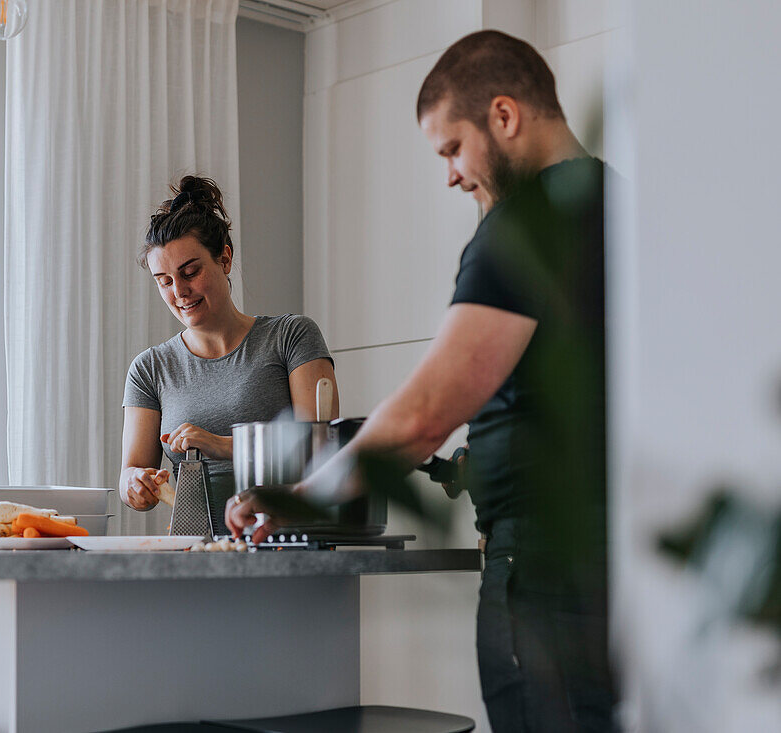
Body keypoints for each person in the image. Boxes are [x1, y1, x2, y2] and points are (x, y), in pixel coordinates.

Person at [228, 30, 616, 733]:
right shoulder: (618, 204)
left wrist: (302, 498)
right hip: (609, 560)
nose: (451, 174)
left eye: (451, 148)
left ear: (504, 116)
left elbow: (426, 415)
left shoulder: (521, 228)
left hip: (541, 573)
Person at [121, 175, 339, 533]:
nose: (180, 291)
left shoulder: (291, 337)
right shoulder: (150, 369)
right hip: (194, 555)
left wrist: (222, 445)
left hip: (285, 546)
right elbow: (130, 476)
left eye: (190, 272)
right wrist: (135, 484)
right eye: (164, 280)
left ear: (224, 258)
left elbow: (320, 450)